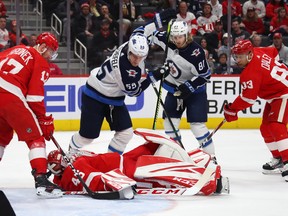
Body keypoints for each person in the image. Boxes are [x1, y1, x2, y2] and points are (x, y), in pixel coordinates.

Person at [68, 9, 176, 155]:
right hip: (95, 95)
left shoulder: (134, 40)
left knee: (125, 133)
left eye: (140, 57)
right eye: (134, 56)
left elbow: (143, 29)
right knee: (88, 136)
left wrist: (160, 19)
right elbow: (135, 92)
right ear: (130, 50)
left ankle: (111, 161)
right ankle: (70, 153)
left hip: (113, 97)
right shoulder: (125, 69)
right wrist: (154, 76)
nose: (136, 60)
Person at [48, 129, 230, 197]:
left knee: (156, 146)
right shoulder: (75, 169)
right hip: (125, 169)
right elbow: (96, 180)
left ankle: (197, 159)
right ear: (60, 169)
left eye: (64, 157)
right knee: (158, 165)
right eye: (63, 161)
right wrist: (119, 184)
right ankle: (209, 181)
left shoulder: (72, 168)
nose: (67, 159)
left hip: (124, 159)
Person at [136, 20, 217, 160]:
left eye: (180, 37)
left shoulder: (196, 53)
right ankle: (179, 156)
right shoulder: (167, 38)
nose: (177, 40)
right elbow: (149, 34)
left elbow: (205, 75)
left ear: (187, 35)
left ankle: (211, 158)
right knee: (169, 123)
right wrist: (143, 40)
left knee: (197, 126)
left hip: (195, 92)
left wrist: (189, 86)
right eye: (174, 37)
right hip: (174, 89)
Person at [0, 32, 63, 197]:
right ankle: (41, 181)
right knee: (35, 138)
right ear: (42, 48)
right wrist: (44, 120)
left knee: (0, 139)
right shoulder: (40, 60)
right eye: (50, 51)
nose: (50, 56)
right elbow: (34, 98)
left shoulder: (17, 48)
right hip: (9, 95)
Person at [223, 39, 288, 182]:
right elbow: (273, 52)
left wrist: (232, 110)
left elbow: (248, 99)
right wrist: (273, 69)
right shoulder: (258, 51)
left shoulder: (250, 73)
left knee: (276, 125)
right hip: (275, 95)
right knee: (265, 128)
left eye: (240, 56)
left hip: (284, 93)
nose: (237, 59)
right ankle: (278, 159)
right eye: (236, 56)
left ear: (249, 54)